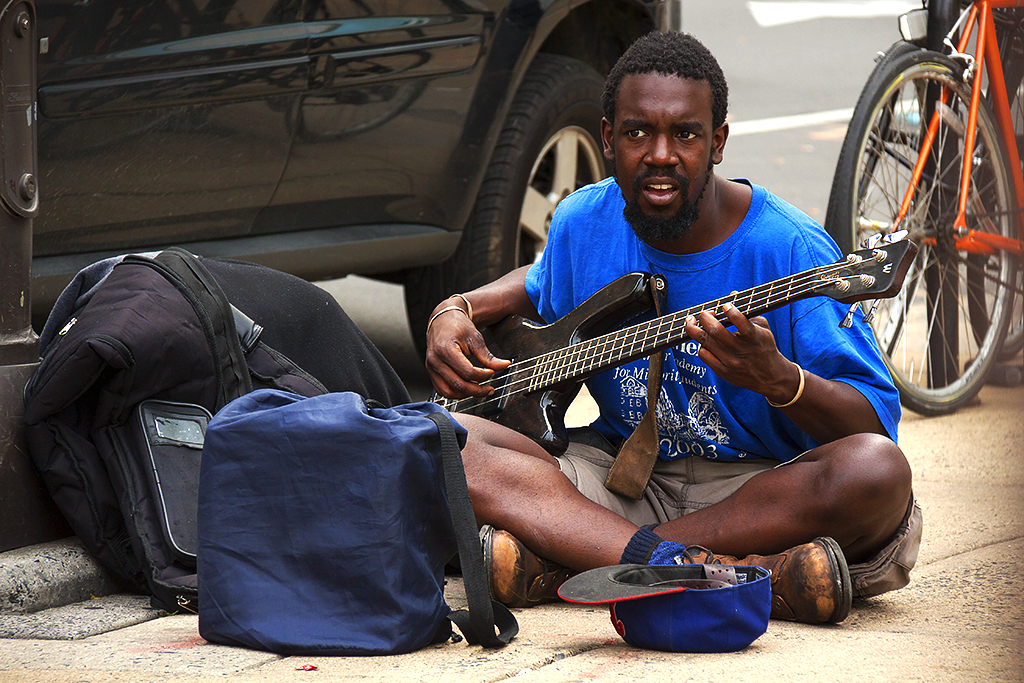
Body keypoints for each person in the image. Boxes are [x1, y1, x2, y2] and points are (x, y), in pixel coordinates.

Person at [424, 30, 921, 625]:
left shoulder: (789, 247)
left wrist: (781, 381)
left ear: (718, 142)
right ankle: (732, 571)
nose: (661, 154)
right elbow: (535, 282)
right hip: (617, 481)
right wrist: (452, 310)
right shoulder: (585, 220)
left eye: (685, 133)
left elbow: (875, 427)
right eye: (638, 132)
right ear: (608, 138)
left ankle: (584, 559)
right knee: (440, 441)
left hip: (758, 494)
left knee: (876, 473)